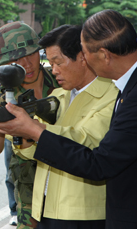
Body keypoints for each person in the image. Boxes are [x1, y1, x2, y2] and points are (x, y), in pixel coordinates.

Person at [4, 10, 137, 229]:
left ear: (104, 54)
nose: (84, 58)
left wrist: (36, 130)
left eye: (84, 51)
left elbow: (99, 161)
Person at [18, 25, 118, 228]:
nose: (53, 71)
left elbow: (86, 140)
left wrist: (34, 129)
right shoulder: (57, 96)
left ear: (83, 57)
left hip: (82, 214)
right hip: (43, 208)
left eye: (58, 62)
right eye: (50, 63)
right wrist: (22, 133)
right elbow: (32, 152)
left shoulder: (112, 95)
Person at [0, 22, 59, 228]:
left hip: (71, 190)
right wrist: (0, 127)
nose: (26, 64)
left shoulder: (62, 80)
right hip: (30, 203)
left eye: (30, 54)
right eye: (15, 60)